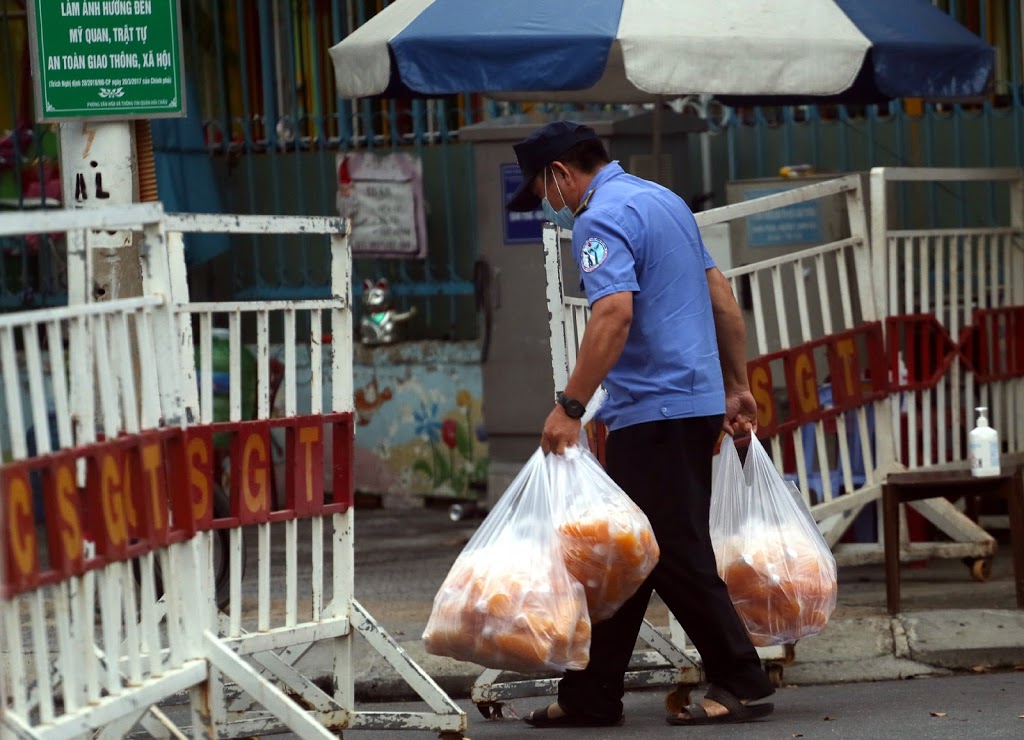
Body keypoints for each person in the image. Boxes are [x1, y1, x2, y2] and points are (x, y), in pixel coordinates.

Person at [505, 121, 775, 727]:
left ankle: (743, 677)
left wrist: (569, 406)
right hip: (690, 401)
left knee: (670, 550)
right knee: (626, 550)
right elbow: (721, 298)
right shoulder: (664, 201)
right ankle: (592, 695)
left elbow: (612, 316)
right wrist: (734, 385)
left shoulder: (598, 219)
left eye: (545, 191)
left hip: (655, 407)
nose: (550, 205)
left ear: (560, 174)